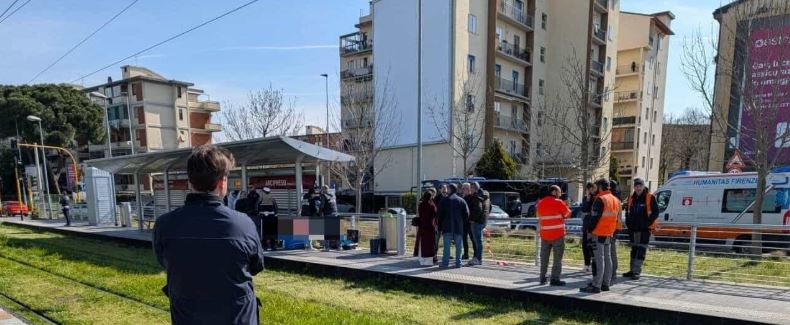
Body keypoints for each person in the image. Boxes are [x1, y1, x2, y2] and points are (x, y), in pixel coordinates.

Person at [153, 145, 264, 325]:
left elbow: (165, 262)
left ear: (190, 181)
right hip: (237, 317)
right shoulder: (244, 224)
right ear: (222, 182)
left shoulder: (165, 224)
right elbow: (256, 266)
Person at [580, 178, 622, 294]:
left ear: (600, 187)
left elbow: (595, 218)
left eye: (596, 187)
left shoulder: (600, 199)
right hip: (609, 233)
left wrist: (589, 230)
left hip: (598, 233)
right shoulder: (614, 199)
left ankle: (596, 285)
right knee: (607, 259)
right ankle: (605, 283)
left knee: (599, 260)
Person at [623, 178, 659, 280]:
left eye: (640, 186)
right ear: (634, 187)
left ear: (643, 186)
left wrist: (647, 224)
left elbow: (656, 213)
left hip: (645, 230)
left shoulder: (650, 197)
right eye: (636, 186)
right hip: (633, 229)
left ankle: (637, 272)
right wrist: (628, 223)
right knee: (634, 250)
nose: (638, 188)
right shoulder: (631, 198)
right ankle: (632, 270)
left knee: (641, 250)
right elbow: (627, 212)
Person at [536, 185, 572, 286]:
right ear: (554, 192)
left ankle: (542, 278)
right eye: (559, 192)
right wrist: (567, 205)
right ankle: (554, 279)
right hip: (558, 235)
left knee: (544, 258)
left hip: (545, 235)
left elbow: (539, 215)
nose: (560, 194)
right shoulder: (559, 202)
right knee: (557, 259)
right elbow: (568, 215)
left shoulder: (540, 203)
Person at [438, 184, 469, 268]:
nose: (446, 190)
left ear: (450, 189)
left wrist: (440, 225)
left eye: (447, 188)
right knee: (459, 247)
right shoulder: (461, 201)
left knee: (446, 247)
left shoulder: (443, 201)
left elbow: (439, 215)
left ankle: (445, 263)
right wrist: (461, 222)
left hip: (446, 227)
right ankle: (458, 263)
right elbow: (466, 214)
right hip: (458, 227)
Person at [467, 182, 489, 266]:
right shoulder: (485, 195)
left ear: (473, 188)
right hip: (483, 221)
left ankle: (478, 259)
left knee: (477, 241)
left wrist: (473, 219)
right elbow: (489, 207)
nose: (470, 190)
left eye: (470, 188)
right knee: (479, 240)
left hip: (477, 222)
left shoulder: (476, 197)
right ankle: (478, 258)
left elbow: (478, 209)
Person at [414, 189, 438, 266]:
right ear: (430, 197)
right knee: (430, 244)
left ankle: (422, 260)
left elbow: (420, 214)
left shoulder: (421, 204)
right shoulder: (432, 205)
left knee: (422, 243)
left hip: (422, 225)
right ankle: (428, 262)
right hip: (430, 226)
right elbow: (435, 214)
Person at [581, 182, 596, 273]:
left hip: (593, 225)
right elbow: (583, 209)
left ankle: (593, 265)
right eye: (588, 189)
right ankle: (587, 264)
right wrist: (587, 199)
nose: (590, 190)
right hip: (586, 224)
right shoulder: (586, 198)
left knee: (592, 246)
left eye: (591, 188)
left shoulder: (597, 198)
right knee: (585, 244)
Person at [320, 185, 338, 250]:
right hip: (335, 214)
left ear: (323, 190)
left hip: (328, 214)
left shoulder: (323, 195)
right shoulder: (333, 195)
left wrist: (320, 213)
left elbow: (322, 205)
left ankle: (327, 247)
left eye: (322, 189)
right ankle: (339, 246)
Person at [460, 183, 474, 260]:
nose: (462, 190)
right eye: (462, 188)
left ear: (468, 189)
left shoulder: (471, 198)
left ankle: (476, 254)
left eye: (463, 188)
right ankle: (466, 254)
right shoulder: (463, 197)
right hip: (464, 222)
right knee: (464, 238)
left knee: (472, 238)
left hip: (470, 222)